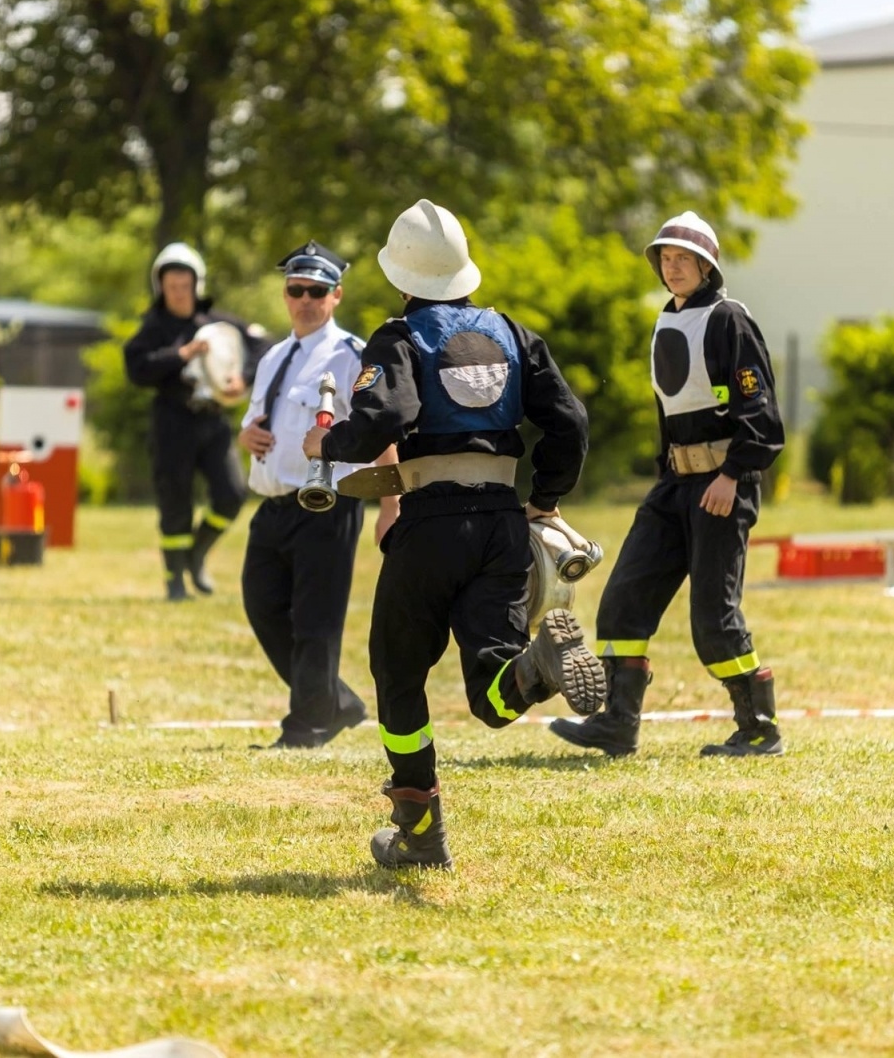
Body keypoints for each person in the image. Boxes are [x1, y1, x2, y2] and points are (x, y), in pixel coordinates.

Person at [304, 199, 605, 869]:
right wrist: (544, 500)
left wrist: (331, 441)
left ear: (401, 275)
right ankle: (534, 667)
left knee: (398, 672)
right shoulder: (513, 333)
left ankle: (419, 829)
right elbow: (571, 423)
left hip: (431, 525)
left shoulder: (399, 336)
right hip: (501, 523)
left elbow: (387, 415)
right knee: (492, 689)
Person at [549, 211, 786, 760]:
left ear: (707, 266)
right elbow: (670, 414)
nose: (673, 267)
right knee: (623, 601)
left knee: (713, 620)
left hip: (722, 488)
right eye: (666, 258)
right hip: (674, 487)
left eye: (684, 259)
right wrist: (669, 476)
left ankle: (759, 729)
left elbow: (764, 418)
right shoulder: (665, 320)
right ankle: (617, 724)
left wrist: (732, 475)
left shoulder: (730, 320)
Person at [237, 241, 399, 749]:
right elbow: (257, 419)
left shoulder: (352, 355)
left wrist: (391, 505)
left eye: (317, 291)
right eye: (296, 289)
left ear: (336, 295)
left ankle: (307, 726)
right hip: (273, 506)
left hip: (327, 506)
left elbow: (382, 430)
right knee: (262, 606)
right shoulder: (273, 356)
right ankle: (337, 702)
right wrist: (246, 434)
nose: (305, 299)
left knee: (316, 621)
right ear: (285, 294)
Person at [123, 242, 268, 601]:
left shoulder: (217, 322)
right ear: (160, 286)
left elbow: (263, 345)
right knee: (176, 502)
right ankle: (174, 581)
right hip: (172, 422)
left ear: (197, 284)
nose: (178, 292)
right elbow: (136, 367)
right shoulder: (154, 326)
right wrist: (181, 354)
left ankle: (197, 552)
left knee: (232, 494)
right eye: (171, 286)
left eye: (184, 285)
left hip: (213, 421)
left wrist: (244, 378)